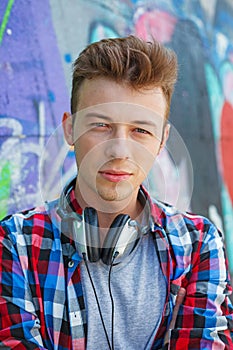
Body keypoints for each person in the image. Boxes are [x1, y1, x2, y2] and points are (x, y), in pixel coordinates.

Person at [0, 35, 232, 350]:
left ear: (162, 140)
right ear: (70, 129)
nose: (120, 150)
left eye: (141, 130)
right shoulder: (15, 242)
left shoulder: (198, 242)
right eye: (101, 125)